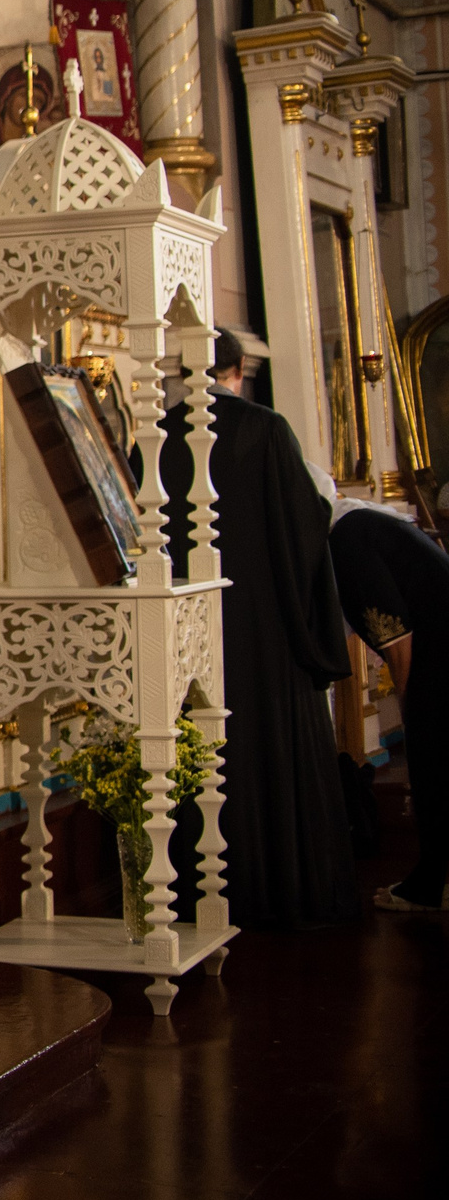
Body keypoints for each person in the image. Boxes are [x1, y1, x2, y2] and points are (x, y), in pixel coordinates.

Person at [157, 329, 357, 929]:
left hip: (185, 636)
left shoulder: (156, 436)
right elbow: (303, 529)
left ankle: (200, 896)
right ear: (238, 368)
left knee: (201, 750)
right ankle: (284, 891)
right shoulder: (265, 429)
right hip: (267, 633)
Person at [328, 507, 449, 912]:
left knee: (432, 761)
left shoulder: (346, 541)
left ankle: (428, 889)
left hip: (438, 654)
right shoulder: (365, 523)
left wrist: (413, 721)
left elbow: (398, 645)